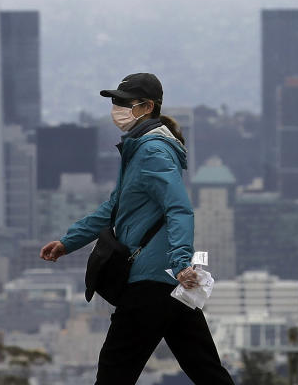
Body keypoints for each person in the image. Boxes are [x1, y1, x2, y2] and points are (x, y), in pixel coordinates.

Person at [39, 73, 234, 385]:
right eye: (115, 102)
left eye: (124, 103)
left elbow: (179, 208)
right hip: (169, 283)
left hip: (151, 281)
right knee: (206, 370)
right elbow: (114, 208)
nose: (117, 108)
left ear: (147, 107)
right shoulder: (138, 147)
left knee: (114, 370)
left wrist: (182, 263)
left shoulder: (152, 151)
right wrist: (67, 242)